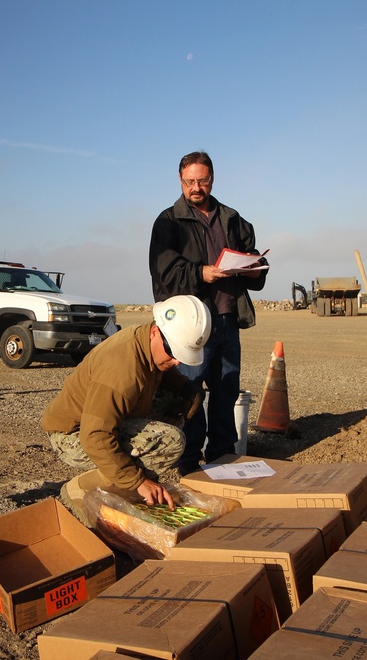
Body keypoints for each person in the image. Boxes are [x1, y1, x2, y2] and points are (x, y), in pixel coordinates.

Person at [149, 151, 268, 474]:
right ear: (180, 180)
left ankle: (222, 458)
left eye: (201, 181)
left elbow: (252, 259)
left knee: (226, 390)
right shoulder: (168, 222)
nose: (196, 187)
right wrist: (201, 273)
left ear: (212, 179)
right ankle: (188, 464)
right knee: (188, 394)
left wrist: (255, 269)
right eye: (189, 182)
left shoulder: (232, 218)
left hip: (228, 319)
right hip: (190, 326)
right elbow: (164, 272)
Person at [42, 295, 211, 520]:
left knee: (174, 404)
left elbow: (162, 371)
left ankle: (124, 480)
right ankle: (83, 488)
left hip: (96, 423)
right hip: (72, 435)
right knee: (170, 440)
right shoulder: (121, 370)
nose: (177, 361)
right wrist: (138, 482)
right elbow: (95, 436)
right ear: (155, 332)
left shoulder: (146, 340)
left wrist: (185, 388)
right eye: (173, 352)